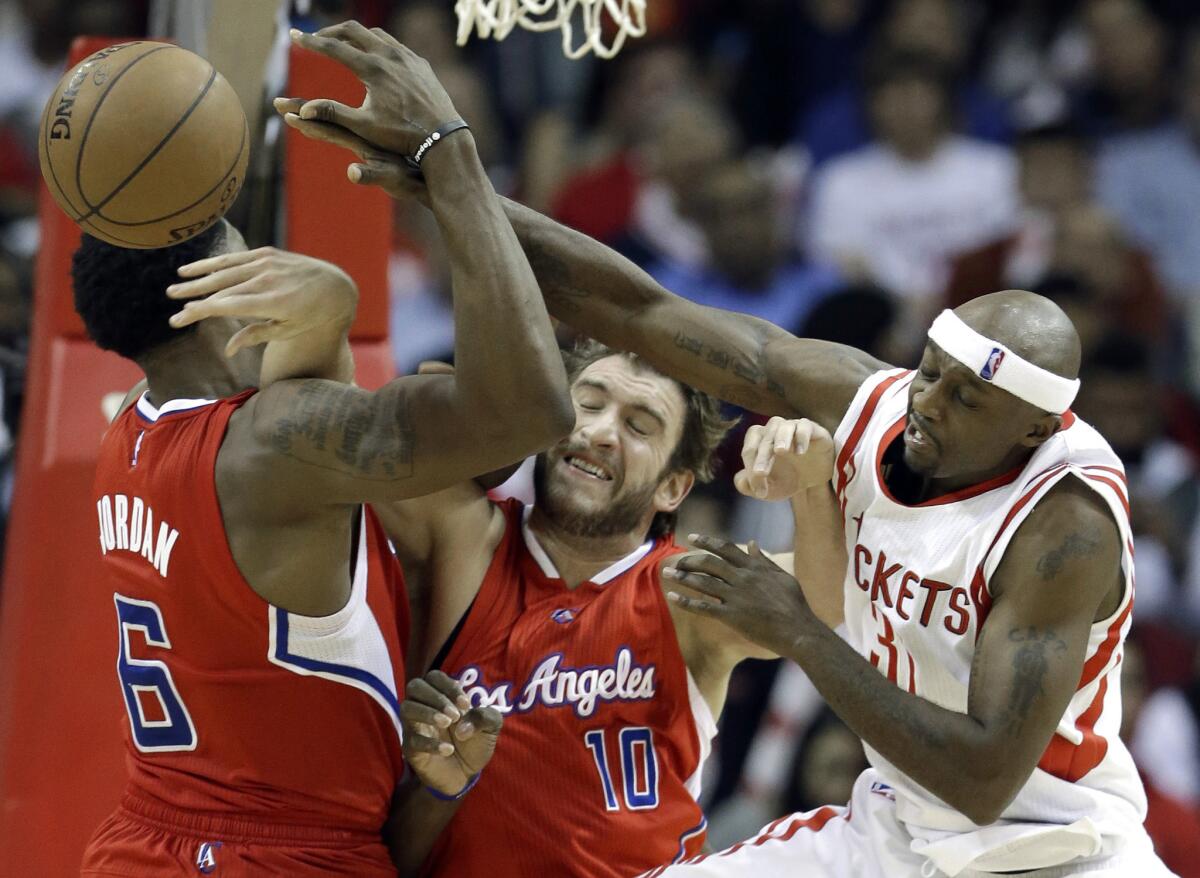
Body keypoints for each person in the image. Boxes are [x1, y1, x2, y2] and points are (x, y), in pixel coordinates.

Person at [276, 28, 1171, 870]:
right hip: (895, 826)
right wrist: (454, 173)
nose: (925, 404)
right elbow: (645, 311)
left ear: (1035, 429)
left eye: (963, 397)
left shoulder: (1066, 526)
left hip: (1051, 846)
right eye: (930, 371)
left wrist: (800, 620)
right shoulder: (872, 400)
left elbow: (983, 781)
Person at [75, 35, 573, 878]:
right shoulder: (269, 444)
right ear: (220, 295)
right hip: (275, 859)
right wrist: (450, 158)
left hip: (145, 841)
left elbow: (304, 399)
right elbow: (530, 408)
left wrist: (327, 320)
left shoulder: (130, 425)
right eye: (246, 252)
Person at [362, 339, 845, 877]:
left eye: (640, 427)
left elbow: (829, 603)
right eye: (588, 405)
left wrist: (810, 487)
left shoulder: (683, 589)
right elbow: (360, 448)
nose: (601, 432)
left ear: (672, 486)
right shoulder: (466, 540)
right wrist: (472, 403)